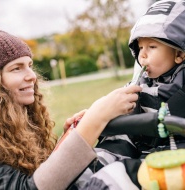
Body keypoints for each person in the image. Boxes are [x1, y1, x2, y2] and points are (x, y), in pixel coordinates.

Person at [0, 28, 141, 190]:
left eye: (30, 65)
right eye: (16, 68)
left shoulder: (17, 121)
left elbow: (40, 172)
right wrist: (94, 120)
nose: (32, 76)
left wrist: (66, 141)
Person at [73, 0, 185, 189]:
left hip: (172, 156)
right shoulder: (138, 85)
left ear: (179, 54)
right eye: (140, 48)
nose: (143, 55)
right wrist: (100, 114)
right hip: (140, 147)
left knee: (118, 176)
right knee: (92, 164)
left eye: (152, 47)